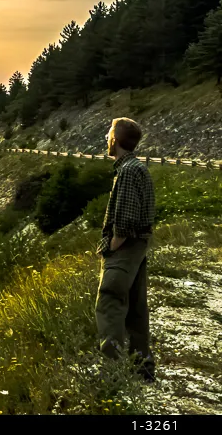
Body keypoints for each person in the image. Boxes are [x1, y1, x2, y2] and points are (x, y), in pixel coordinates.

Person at [95, 117, 156, 382]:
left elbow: (126, 222)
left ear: (115, 140)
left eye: (109, 133)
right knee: (136, 310)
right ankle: (142, 371)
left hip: (126, 248)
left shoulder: (129, 171)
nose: (106, 137)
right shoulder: (135, 167)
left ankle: (113, 375)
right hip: (138, 247)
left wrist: (110, 248)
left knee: (109, 302)